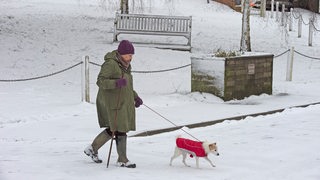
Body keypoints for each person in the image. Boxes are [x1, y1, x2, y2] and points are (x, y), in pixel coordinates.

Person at [84, 40, 143, 168]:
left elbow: (126, 85)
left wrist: (135, 97)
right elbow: (100, 81)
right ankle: (122, 159)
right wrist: (116, 83)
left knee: (115, 128)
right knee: (119, 128)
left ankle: (92, 149)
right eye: (128, 55)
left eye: (132, 55)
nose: (130, 57)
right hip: (110, 101)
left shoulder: (126, 65)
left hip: (122, 101)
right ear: (121, 54)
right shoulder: (110, 64)